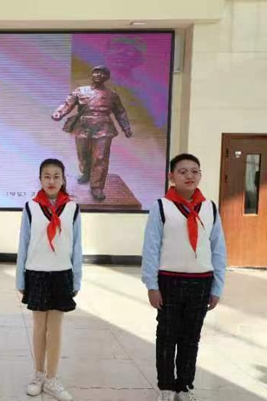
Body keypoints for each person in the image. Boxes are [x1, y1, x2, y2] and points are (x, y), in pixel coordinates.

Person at [142, 153, 227, 401]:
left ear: (200, 175)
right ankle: (166, 386)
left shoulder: (210, 208)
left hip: (202, 281)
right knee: (167, 336)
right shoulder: (161, 207)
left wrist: (217, 287)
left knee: (191, 337)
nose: (189, 176)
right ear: (172, 176)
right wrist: (152, 285)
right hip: (169, 281)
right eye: (182, 171)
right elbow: (151, 248)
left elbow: (218, 249)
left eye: (194, 171)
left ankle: (184, 386)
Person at [16, 158, 83, 401]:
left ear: (63, 179)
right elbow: (23, 243)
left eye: (56, 176)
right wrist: (20, 279)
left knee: (55, 329)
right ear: (40, 179)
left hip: (62, 273)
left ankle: (52, 378)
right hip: (36, 272)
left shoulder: (73, 208)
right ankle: (38, 375)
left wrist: (76, 279)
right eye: (47, 176)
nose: (51, 180)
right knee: (39, 327)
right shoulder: (30, 207)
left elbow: (77, 245)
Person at [52, 65, 133, 201]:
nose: (99, 75)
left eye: (103, 73)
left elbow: (120, 112)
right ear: (92, 74)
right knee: (83, 153)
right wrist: (59, 113)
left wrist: (126, 128)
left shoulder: (112, 94)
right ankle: (86, 173)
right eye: (96, 72)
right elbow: (67, 104)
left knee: (100, 157)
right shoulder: (80, 91)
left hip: (104, 126)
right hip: (83, 125)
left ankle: (97, 186)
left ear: (107, 77)